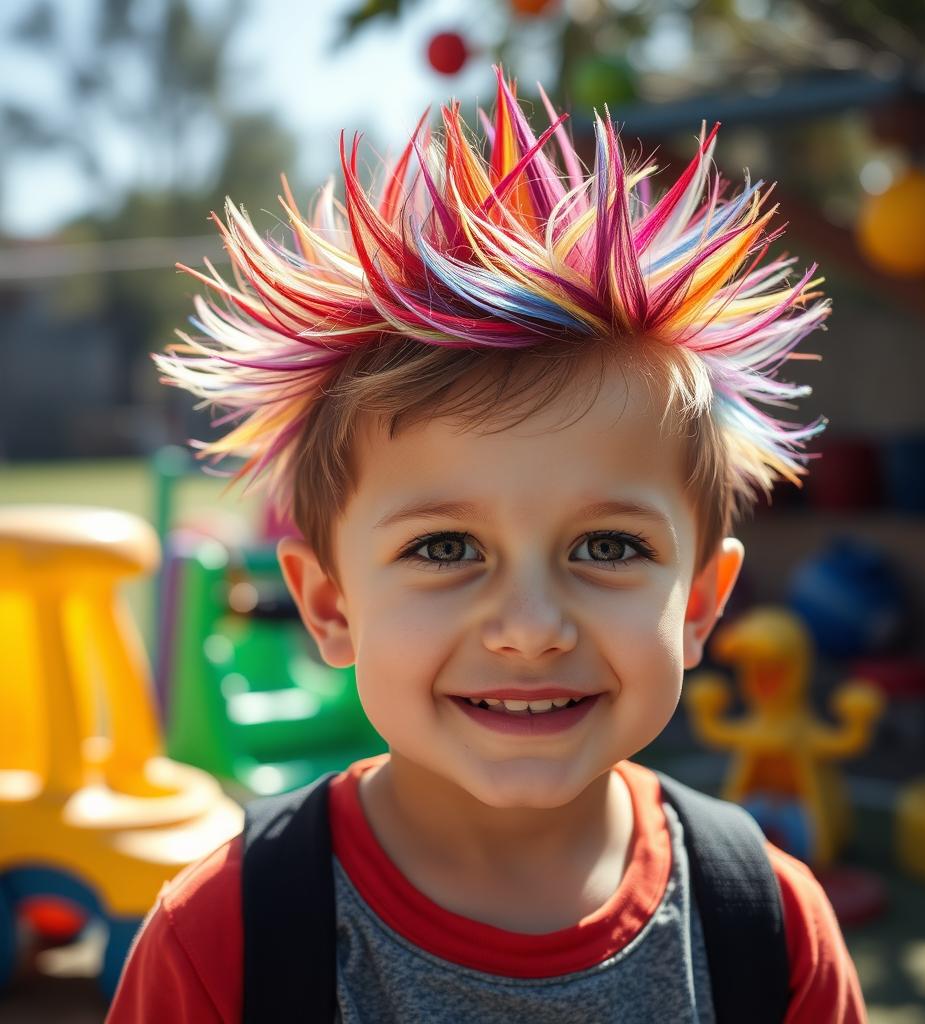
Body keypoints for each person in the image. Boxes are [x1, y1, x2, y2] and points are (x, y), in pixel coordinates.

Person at [108, 66, 866, 1022]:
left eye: (606, 547)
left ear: (702, 605)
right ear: (329, 604)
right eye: (442, 549)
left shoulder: (767, 928)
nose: (530, 627)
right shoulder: (227, 938)